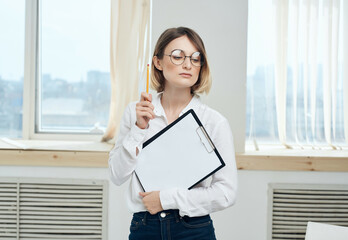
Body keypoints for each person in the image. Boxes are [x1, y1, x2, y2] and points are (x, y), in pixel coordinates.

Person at [109, 27, 238, 240]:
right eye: (178, 56)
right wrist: (138, 129)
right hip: (144, 228)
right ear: (158, 63)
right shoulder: (136, 112)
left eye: (196, 59)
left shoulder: (214, 122)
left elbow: (226, 193)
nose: (188, 64)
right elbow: (116, 175)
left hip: (194, 229)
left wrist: (167, 199)